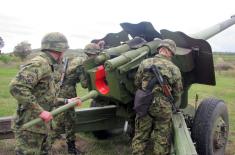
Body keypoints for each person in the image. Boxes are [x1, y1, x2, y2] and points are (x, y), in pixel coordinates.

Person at [9, 32, 81, 155]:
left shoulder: (48, 65)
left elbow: (44, 97)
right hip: (31, 127)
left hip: (42, 126)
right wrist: (40, 112)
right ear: (60, 50)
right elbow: (17, 87)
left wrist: (66, 101)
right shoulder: (39, 63)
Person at [132, 39, 183, 155]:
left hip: (144, 103)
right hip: (163, 106)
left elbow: (137, 82)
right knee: (161, 139)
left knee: (140, 136)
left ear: (160, 49)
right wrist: (173, 104)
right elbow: (177, 92)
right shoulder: (174, 68)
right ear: (171, 52)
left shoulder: (145, 63)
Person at [51, 42, 101, 154]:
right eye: (97, 55)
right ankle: (46, 145)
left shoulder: (75, 59)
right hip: (67, 93)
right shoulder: (83, 64)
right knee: (64, 121)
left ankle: (70, 148)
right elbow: (84, 84)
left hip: (58, 90)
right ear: (93, 54)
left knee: (66, 119)